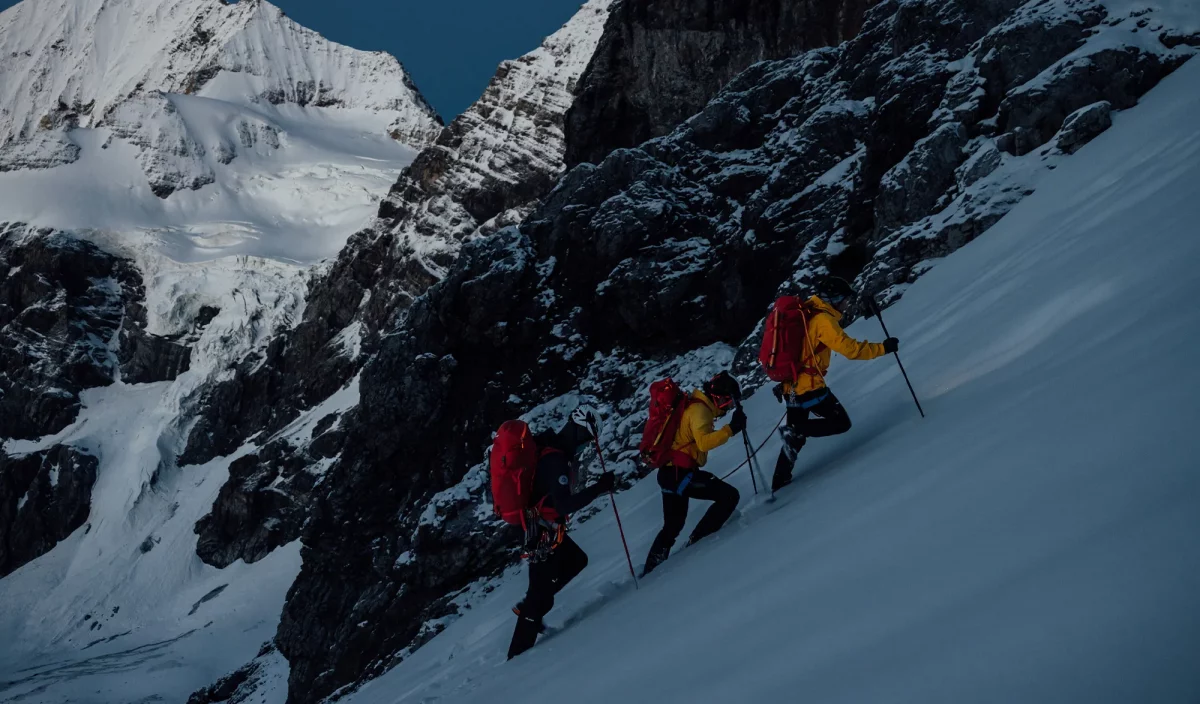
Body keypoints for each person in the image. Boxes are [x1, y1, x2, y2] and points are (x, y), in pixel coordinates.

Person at [770, 277, 898, 491]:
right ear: (835, 299)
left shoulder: (806, 310)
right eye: (845, 300)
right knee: (840, 422)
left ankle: (779, 481)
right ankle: (793, 431)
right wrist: (883, 348)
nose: (847, 304)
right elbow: (851, 350)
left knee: (795, 439)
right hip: (810, 387)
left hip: (791, 387)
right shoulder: (823, 320)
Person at [507, 407, 615, 659]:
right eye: (587, 439)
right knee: (538, 597)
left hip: (544, 529)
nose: (586, 445)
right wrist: (600, 487)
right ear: (577, 431)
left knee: (577, 560)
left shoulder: (551, 451)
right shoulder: (555, 460)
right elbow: (564, 505)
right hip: (542, 533)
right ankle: (516, 658)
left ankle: (532, 605)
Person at [642, 372, 745, 576]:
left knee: (672, 526)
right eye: (727, 403)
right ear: (718, 398)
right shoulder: (700, 411)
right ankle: (698, 544)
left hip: (670, 474)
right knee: (729, 496)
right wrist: (731, 429)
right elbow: (704, 442)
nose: (727, 408)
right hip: (682, 474)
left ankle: (650, 571)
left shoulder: (693, 404)